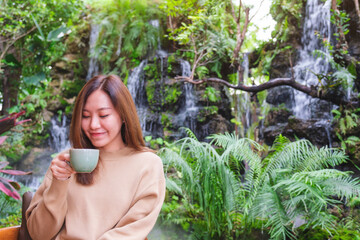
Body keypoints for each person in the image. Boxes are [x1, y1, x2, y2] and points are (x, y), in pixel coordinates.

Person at [25, 75, 166, 240]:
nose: (93, 125)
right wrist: (59, 183)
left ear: (123, 116)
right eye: (85, 116)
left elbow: (131, 231)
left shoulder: (147, 164)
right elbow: (38, 234)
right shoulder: (65, 162)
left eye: (104, 115)